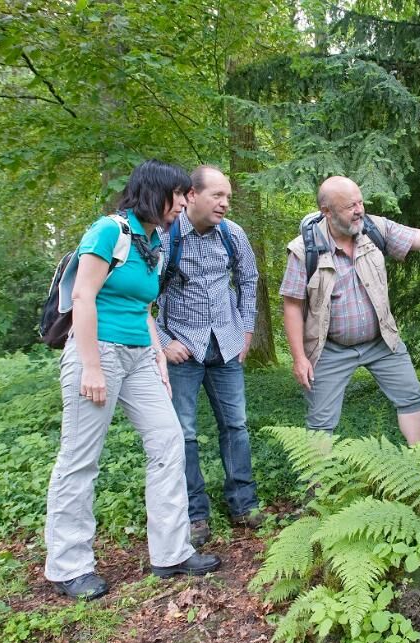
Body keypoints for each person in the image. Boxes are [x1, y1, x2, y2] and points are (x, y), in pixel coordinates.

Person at [44, 160, 221, 601]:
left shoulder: (154, 242)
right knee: (80, 458)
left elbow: (143, 308)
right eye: (179, 195)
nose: (183, 203)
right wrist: (91, 366)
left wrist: (157, 355)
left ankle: (172, 552)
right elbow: (83, 296)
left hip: (140, 355)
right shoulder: (109, 231)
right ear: (155, 192)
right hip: (97, 350)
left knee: (168, 441)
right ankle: (69, 566)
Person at [279, 176, 420, 445]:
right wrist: (299, 358)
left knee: (411, 398)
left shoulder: (374, 229)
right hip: (329, 348)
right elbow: (292, 306)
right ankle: (318, 474)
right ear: (327, 212)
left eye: (360, 202)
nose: (359, 210)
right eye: (350, 206)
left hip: (382, 340)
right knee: (321, 421)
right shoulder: (303, 250)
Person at [156, 165, 262, 547]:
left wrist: (246, 330)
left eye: (227, 197)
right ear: (192, 195)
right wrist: (163, 342)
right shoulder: (164, 237)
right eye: (217, 195)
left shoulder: (233, 235)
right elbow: (142, 295)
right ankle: (195, 515)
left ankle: (244, 505)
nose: (224, 203)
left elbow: (248, 280)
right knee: (183, 433)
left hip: (226, 344)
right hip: (182, 349)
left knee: (236, 426)